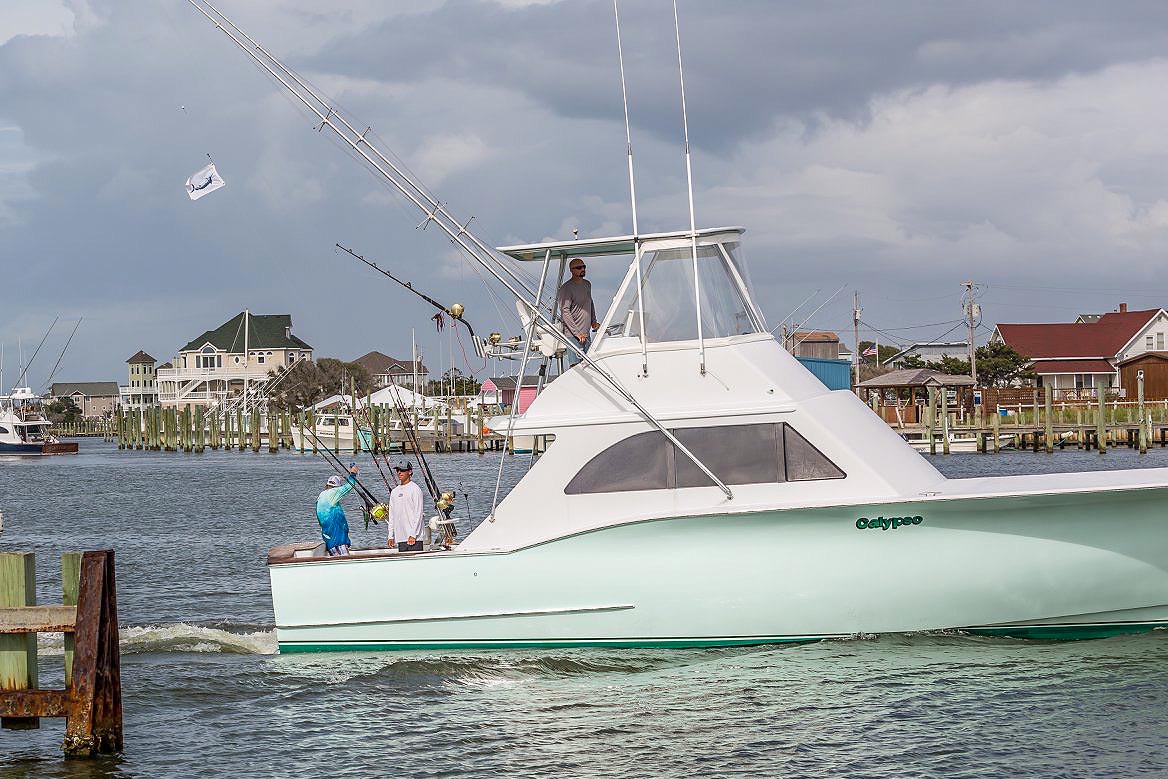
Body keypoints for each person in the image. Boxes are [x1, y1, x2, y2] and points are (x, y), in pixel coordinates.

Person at [556, 258, 599, 366]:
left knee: (589, 365)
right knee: (576, 367)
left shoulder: (587, 284)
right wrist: (577, 333)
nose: (582, 269)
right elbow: (565, 311)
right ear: (571, 270)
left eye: (584, 267)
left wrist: (594, 321)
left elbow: (590, 303)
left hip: (586, 333)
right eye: (579, 267)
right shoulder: (566, 288)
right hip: (573, 335)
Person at [317, 464, 359, 556]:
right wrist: (353, 473)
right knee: (346, 561)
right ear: (336, 487)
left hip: (329, 539)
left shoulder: (321, 496)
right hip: (338, 539)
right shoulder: (333, 493)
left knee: (337, 561)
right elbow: (349, 486)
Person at [388, 460, 425, 552]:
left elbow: (418, 514)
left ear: (410, 472)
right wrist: (390, 535)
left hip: (414, 538)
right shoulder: (394, 492)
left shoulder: (415, 490)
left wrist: (413, 534)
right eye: (398, 470)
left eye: (402, 470)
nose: (399, 472)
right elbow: (391, 515)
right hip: (401, 538)